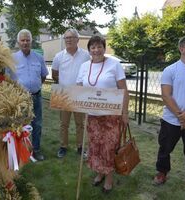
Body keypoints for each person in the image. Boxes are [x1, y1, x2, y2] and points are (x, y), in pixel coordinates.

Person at [76, 36, 129, 193]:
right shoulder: (84, 66)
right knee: (96, 147)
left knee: (109, 147)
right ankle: (99, 173)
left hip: (111, 115)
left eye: (99, 46)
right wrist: (79, 100)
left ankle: (109, 178)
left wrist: (125, 113)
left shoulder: (114, 65)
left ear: (104, 48)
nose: (96, 50)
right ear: (89, 50)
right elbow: (79, 87)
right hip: (92, 116)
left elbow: (124, 90)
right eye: (93, 47)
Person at [153, 34, 185, 186]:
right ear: (182, 49)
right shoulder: (170, 70)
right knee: (165, 149)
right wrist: (182, 117)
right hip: (171, 120)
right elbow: (166, 95)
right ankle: (162, 172)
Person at [11, 29, 48, 161]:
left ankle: (36, 150)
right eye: (23, 40)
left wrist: (35, 86)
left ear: (31, 41)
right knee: (20, 124)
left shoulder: (38, 57)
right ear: (18, 42)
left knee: (37, 124)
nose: (25, 42)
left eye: (27, 40)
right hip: (20, 98)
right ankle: (22, 151)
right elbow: (8, 79)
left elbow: (43, 75)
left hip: (36, 96)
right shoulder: (12, 59)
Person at [52, 29, 90, 158]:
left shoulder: (86, 55)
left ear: (77, 40)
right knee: (64, 124)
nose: (68, 40)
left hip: (80, 94)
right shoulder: (58, 56)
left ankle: (80, 147)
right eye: (66, 38)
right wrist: (64, 86)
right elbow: (54, 74)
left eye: (71, 37)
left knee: (80, 124)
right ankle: (63, 146)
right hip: (63, 94)